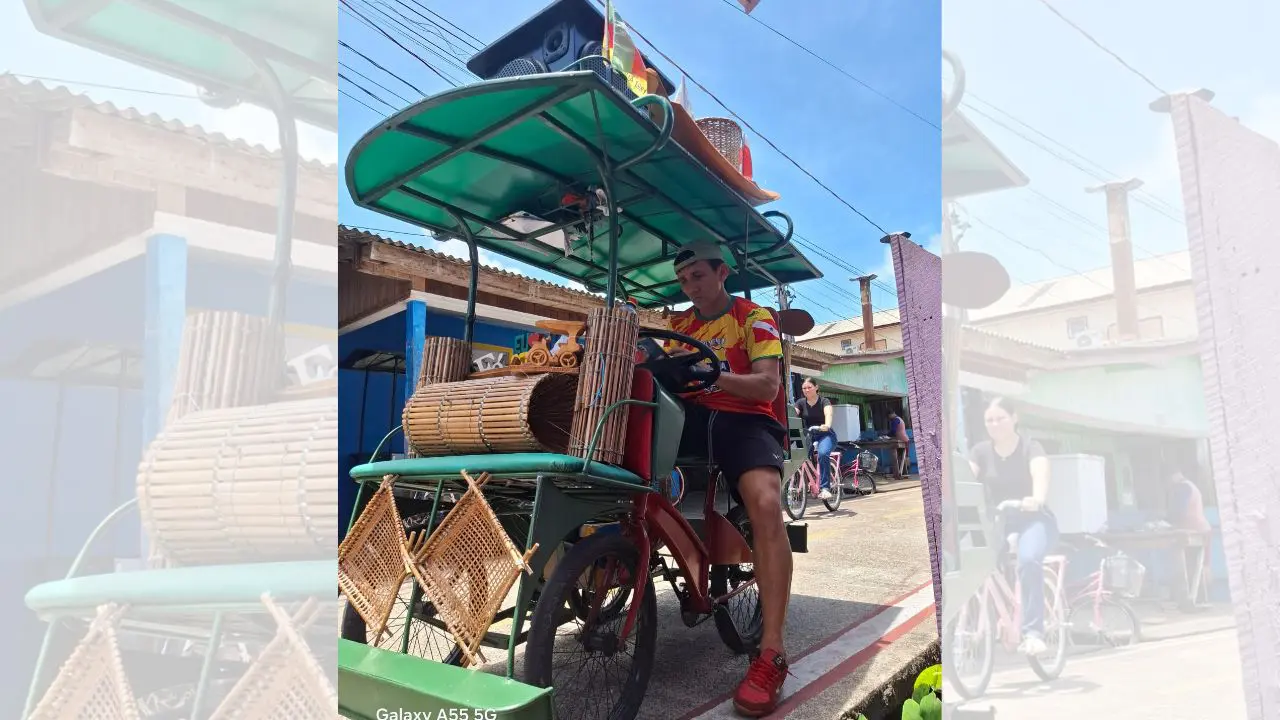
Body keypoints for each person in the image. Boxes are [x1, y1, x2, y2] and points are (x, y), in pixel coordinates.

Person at [665, 239, 792, 717]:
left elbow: (767, 385)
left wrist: (712, 376)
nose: (690, 286)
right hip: (691, 425)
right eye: (683, 280)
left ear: (722, 273)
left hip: (745, 422)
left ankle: (772, 651)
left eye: (697, 275)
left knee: (763, 502)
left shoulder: (754, 318)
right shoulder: (679, 326)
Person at [967, 396, 1056, 656]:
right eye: (989, 420)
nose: (994, 424)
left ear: (1014, 418)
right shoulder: (980, 452)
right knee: (973, 561)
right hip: (999, 521)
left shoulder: (1031, 446)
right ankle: (986, 620)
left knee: (1028, 561)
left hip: (1033, 519)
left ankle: (1034, 632)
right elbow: (968, 477)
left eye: (1000, 418)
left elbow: (1041, 471)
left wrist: (1037, 498)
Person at [795, 377, 837, 500]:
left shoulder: (824, 401)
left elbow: (828, 413)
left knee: (823, 454)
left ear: (816, 387)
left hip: (825, 433)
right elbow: (794, 413)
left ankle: (825, 488)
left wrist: (827, 425)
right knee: (799, 456)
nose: (806, 390)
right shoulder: (800, 402)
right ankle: (806, 482)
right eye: (804, 388)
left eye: (809, 387)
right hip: (809, 434)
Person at [888, 410, 911, 475]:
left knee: (901, 457)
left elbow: (893, 431)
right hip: (903, 440)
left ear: (891, 414)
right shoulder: (899, 419)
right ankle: (903, 473)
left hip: (902, 441)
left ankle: (900, 473)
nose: (889, 418)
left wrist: (887, 435)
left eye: (889, 416)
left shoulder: (895, 420)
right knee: (903, 457)